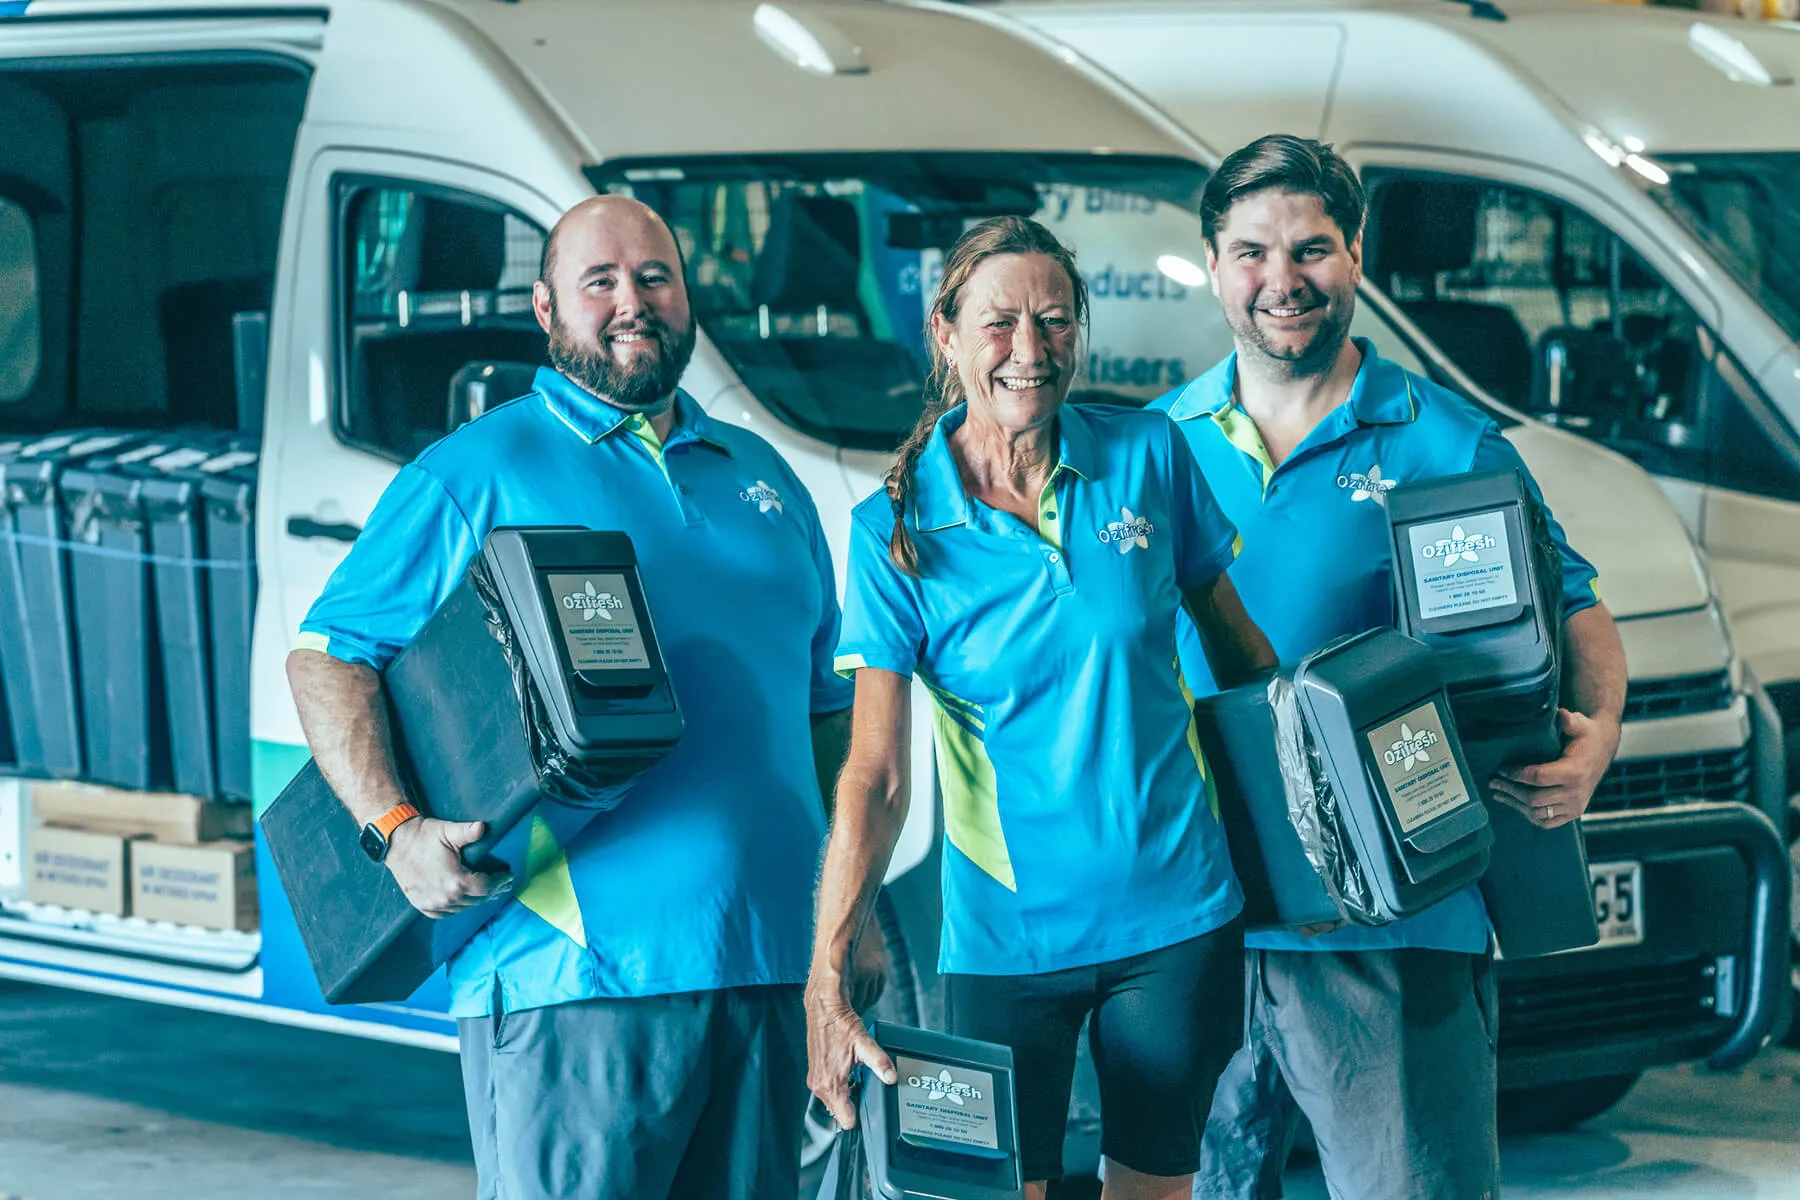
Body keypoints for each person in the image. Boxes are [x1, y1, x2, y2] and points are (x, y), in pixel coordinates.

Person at [287, 195, 871, 1200]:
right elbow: (328, 658)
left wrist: (848, 918)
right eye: (600, 281)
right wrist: (395, 828)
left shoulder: (763, 477)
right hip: (575, 975)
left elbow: (825, 715)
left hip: (771, 965)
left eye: (655, 277)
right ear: (545, 307)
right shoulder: (479, 469)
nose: (633, 301)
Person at [1151, 135, 1628, 1200]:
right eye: (1252, 252)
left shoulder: (1444, 443)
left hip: (1392, 919)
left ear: (1357, 255)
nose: (1282, 280)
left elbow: (1575, 609)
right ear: (1214, 264)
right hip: (1197, 917)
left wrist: (1596, 735)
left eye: (1311, 249)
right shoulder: (1154, 446)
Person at [805, 215, 1277, 1200]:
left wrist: (1309, 852)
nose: (1032, 349)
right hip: (1006, 942)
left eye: (1056, 321)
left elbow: (1244, 662)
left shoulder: (1147, 456)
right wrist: (827, 970)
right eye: (1001, 323)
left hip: (1178, 917)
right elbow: (876, 774)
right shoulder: (893, 530)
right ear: (945, 333)